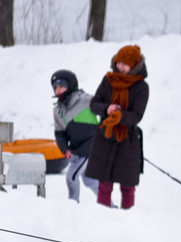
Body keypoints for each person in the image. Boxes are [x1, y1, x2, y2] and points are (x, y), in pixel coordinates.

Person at [86, 45, 149, 210]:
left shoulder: (142, 87)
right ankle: (102, 216)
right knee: (104, 184)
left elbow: (136, 116)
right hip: (105, 137)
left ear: (133, 65)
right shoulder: (108, 80)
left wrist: (121, 116)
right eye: (118, 62)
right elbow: (94, 104)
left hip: (128, 140)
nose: (119, 66)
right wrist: (106, 109)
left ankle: (128, 218)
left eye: (124, 64)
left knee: (128, 187)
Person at [51, 69, 100, 202]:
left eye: (61, 85)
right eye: (55, 87)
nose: (58, 89)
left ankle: (72, 206)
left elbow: (105, 109)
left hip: (89, 147)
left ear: (70, 84)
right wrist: (65, 149)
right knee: (89, 180)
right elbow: (60, 134)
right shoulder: (57, 111)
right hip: (75, 150)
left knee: (71, 177)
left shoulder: (85, 100)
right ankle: (109, 206)